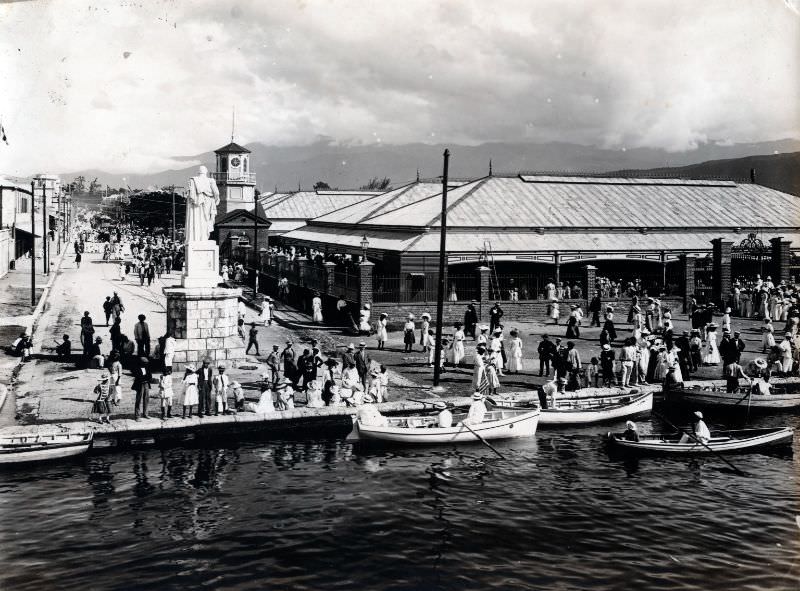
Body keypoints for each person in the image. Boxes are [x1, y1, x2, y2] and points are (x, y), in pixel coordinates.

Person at [186, 165, 220, 241]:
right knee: (206, 220)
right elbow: (216, 193)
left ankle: (196, 237)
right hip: (209, 204)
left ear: (199, 172)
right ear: (206, 172)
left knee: (198, 219)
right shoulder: (211, 180)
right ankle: (204, 237)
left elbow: (190, 194)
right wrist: (216, 200)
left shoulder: (193, 180)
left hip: (196, 205)